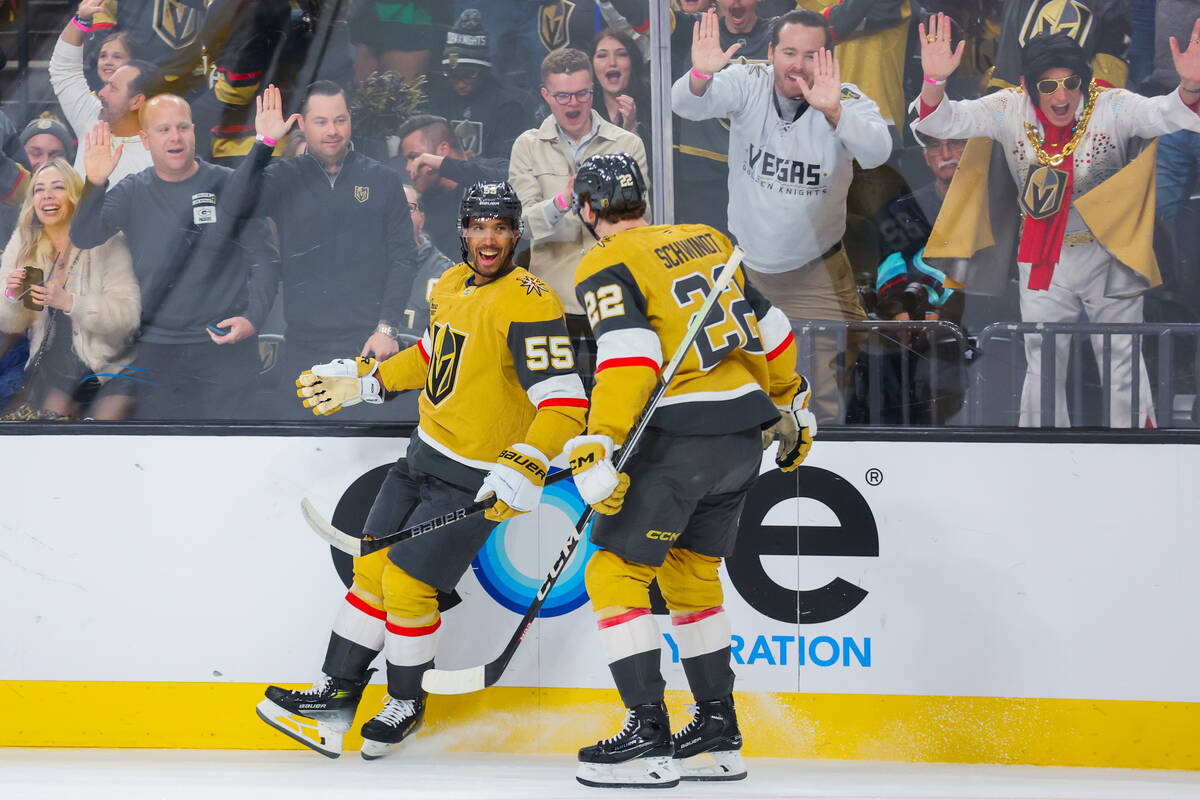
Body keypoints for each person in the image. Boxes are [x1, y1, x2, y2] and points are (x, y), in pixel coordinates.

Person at [256, 181, 588, 760]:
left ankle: (405, 702)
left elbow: (564, 399)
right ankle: (334, 697)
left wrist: (528, 461)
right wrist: (370, 382)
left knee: (409, 586)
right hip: (421, 457)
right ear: (462, 230)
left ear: (516, 234)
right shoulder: (454, 284)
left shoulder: (530, 301)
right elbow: (436, 356)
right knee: (373, 571)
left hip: (475, 478)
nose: (489, 239)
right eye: (479, 226)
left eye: (501, 227)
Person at [565, 153, 815, 788]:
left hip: (679, 438)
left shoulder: (602, 261)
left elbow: (629, 357)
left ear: (588, 209)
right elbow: (774, 326)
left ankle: (646, 734)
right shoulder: (709, 239)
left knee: (613, 571)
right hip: (740, 440)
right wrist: (791, 403)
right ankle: (715, 729)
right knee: (691, 575)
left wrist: (600, 441)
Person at [914, 17, 1200, 427]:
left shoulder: (1112, 105)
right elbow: (942, 122)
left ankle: (1135, 451)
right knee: (1043, 362)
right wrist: (934, 79)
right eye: (1048, 86)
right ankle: (1043, 451)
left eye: (1071, 83)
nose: (1061, 95)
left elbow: (1166, 114)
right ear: (1030, 87)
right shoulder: (1007, 106)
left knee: (1122, 358)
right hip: (1041, 254)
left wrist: (1189, 85)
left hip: (1109, 250)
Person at [672, 8, 892, 424]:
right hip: (747, 270)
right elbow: (684, 105)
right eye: (789, 52)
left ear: (829, 59)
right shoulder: (747, 80)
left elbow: (878, 151)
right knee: (745, 385)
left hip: (817, 272)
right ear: (770, 51)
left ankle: (819, 473)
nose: (799, 64)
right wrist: (700, 75)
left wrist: (834, 113)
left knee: (826, 397)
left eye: (812, 55)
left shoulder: (847, 99)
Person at [68, 89, 290, 420]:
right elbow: (84, 236)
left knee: (229, 457)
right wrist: (95, 182)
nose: (175, 137)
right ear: (145, 139)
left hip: (224, 350)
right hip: (156, 353)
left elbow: (264, 260)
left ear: (194, 132)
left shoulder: (230, 185)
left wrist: (253, 318)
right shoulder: (132, 190)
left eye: (183, 127)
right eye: (164, 129)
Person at [243, 80, 420, 418]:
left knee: (365, 455)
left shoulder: (381, 179)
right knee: (300, 454)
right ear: (302, 124)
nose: (332, 131)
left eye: (340, 120)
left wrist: (387, 329)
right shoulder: (284, 177)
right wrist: (264, 144)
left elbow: (404, 257)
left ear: (350, 119)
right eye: (321, 122)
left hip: (368, 345)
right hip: (303, 346)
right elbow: (237, 206)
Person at [509, 47, 648, 341]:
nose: (573, 104)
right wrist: (563, 201)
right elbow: (522, 225)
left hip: (616, 297)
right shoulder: (527, 146)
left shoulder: (628, 144)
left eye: (582, 94)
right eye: (562, 96)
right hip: (552, 302)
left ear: (593, 92)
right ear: (546, 95)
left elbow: (644, 222)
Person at [0, 160, 139, 419]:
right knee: (50, 424)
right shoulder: (24, 241)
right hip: (53, 372)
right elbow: (7, 323)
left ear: (75, 195)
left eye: (57, 187)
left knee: (99, 427)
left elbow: (128, 317)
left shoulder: (107, 241)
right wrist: (11, 295)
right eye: (39, 189)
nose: (47, 196)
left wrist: (70, 302)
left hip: (109, 368)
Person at [50, 0, 156, 185]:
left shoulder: (161, 146)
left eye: (113, 88)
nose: (101, 93)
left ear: (136, 101)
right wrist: (80, 20)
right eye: (103, 56)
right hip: (82, 214)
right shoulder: (91, 117)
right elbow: (63, 70)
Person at [422, 9, 535, 162]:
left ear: (483, 72)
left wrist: (471, 163)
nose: (460, 84)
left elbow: (507, 164)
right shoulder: (438, 98)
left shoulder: (509, 105)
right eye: (453, 76)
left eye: (469, 75)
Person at [395, 114, 509, 260]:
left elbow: (510, 185)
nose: (408, 167)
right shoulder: (421, 203)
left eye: (414, 157)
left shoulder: (493, 169)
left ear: (443, 150)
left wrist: (443, 165)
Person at [591, 27, 653, 165]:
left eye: (621, 54)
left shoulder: (653, 107)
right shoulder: (585, 111)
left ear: (633, 63)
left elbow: (658, 168)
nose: (612, 62)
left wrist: (632, 130)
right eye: (602, 56)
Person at [399, 184, 454, 338]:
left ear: (421, 219)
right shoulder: (360, 268)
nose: (399, 213)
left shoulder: (446, 273)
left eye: (409, 208)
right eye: (392, 206)